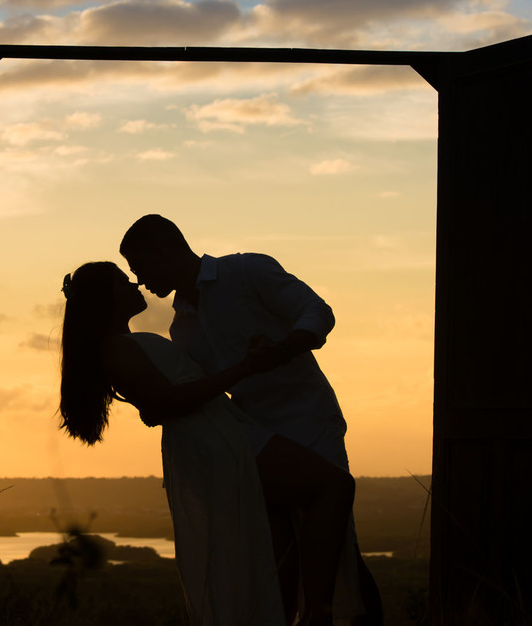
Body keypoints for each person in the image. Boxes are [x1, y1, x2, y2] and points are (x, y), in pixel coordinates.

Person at [120, 215, 384, 626]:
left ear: (161, 252)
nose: (140, 281)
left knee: (339, 551)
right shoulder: (182, 329)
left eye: (141, 269)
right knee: (278, 551)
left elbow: (316, 312)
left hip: (310, 419)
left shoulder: (246, 271)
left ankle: (325, 617)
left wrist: (282, 350)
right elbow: (207, 390)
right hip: (256, 440)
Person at [59, 261, 355, 626]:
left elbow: (159, 401)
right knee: (333, 486)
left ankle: (299, 614)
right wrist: (244, 369)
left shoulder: (126, 344)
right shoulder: (117, 349)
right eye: (124, 281)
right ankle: (318, 615)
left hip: (222, 431)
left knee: (276, 553)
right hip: (214, 440)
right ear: (106, 297)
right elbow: (168, 400)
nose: (135, 284)